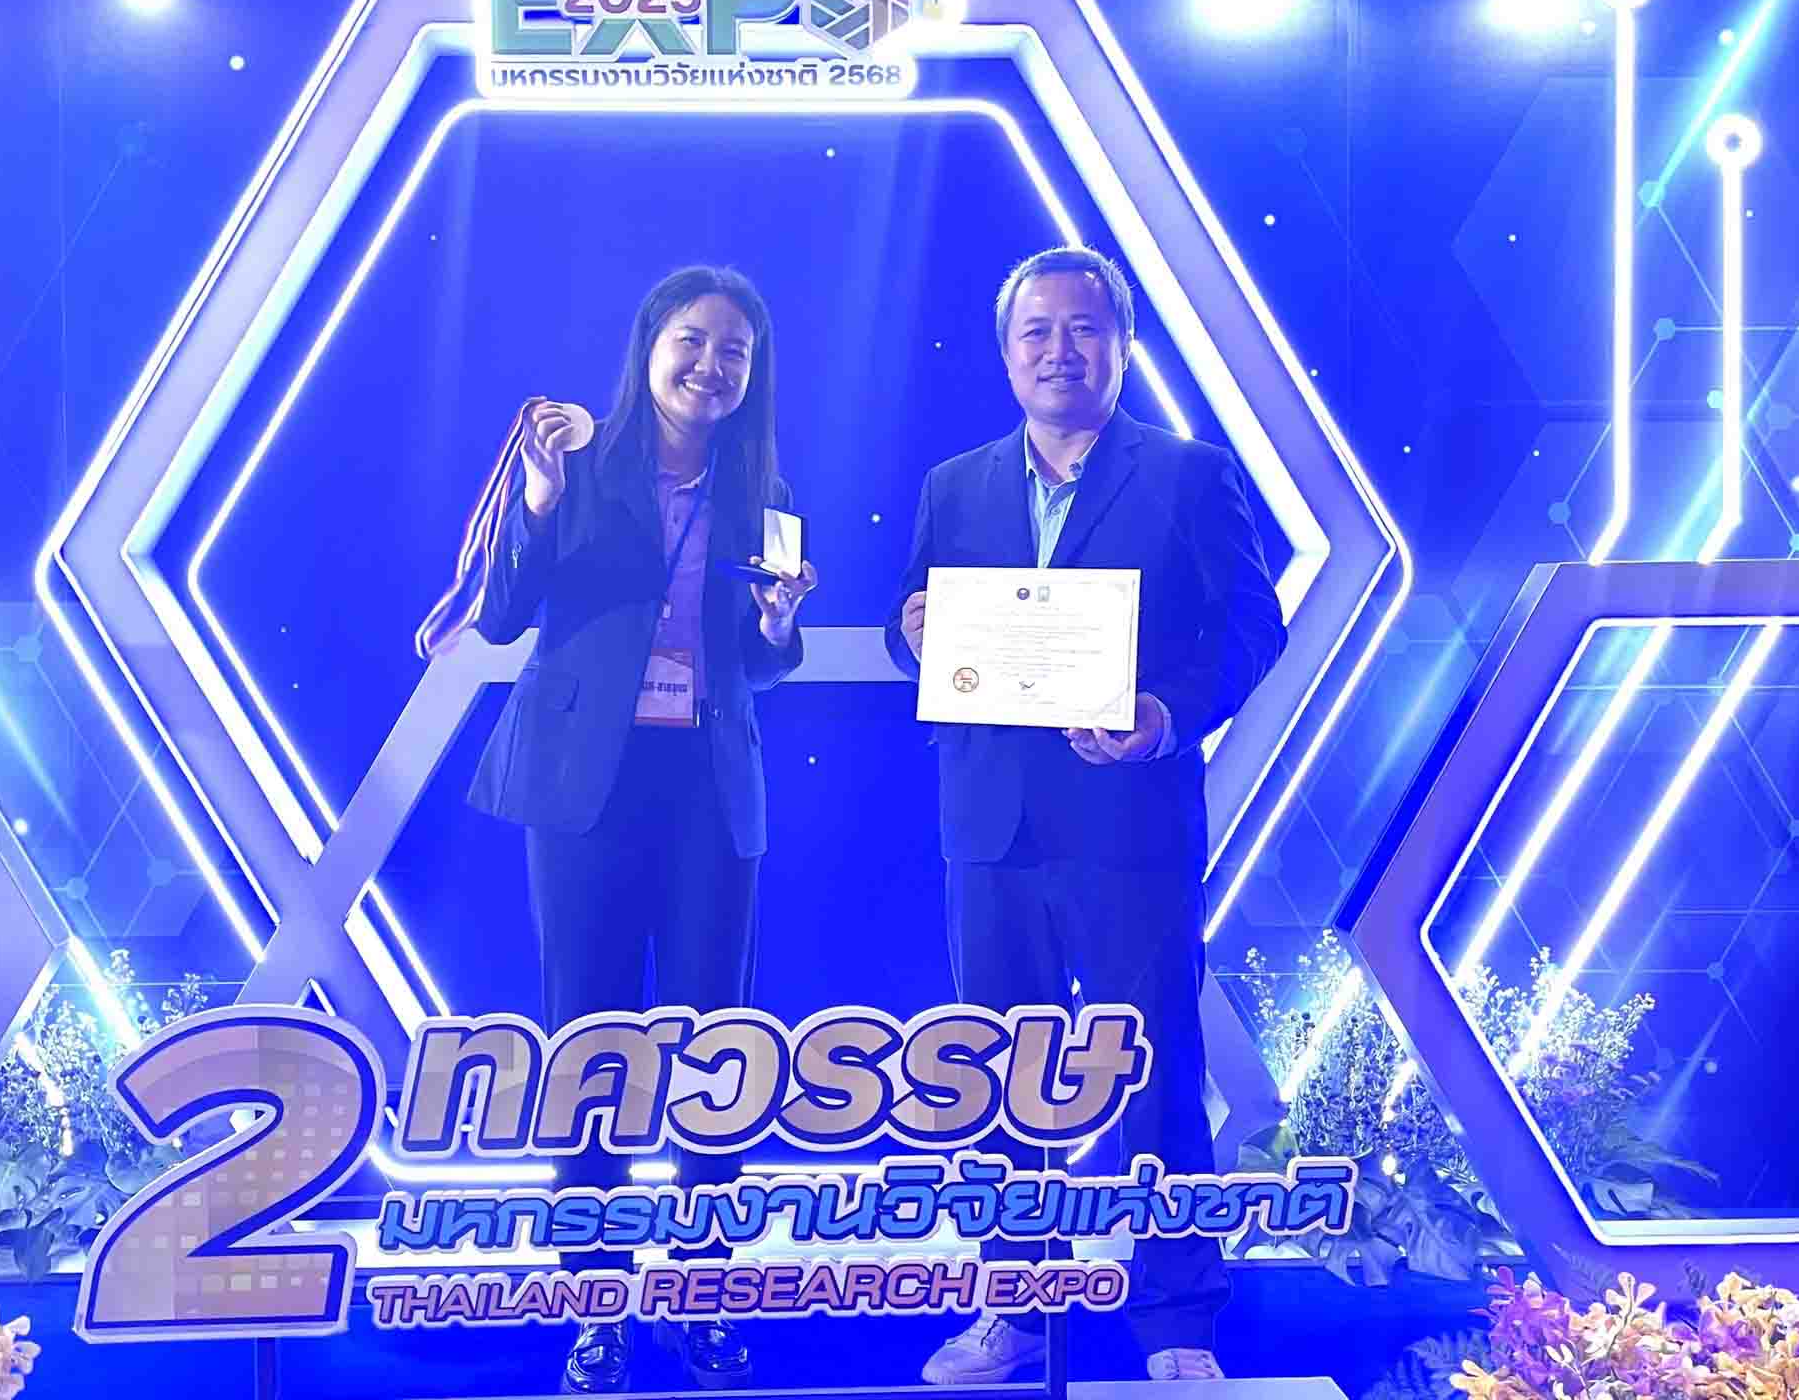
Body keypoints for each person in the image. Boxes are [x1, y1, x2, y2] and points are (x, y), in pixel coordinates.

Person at [883, 246, 1285, 1385]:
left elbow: (1252, 628)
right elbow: (919, 627)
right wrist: (917, 634)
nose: (1060, 351)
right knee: (1001, 1077)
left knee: (1153, 1069)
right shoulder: (954, 485)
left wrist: (1165, 716)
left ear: (1122, 347)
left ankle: (1179, 1326)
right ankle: (1014, 1309)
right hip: (991, 832)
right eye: (1037, 332)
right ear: (1007, 353)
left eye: (1084, 330)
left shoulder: (1191, 475)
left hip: (1130, 826)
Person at [469, 265, 819, 1394]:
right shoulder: (574, 462)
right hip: (588, 788)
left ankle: (704, 1291)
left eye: (734, 352)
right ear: (650, 346)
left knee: (719, 1053)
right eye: (692, 341)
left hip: (708, 789)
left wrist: (778, 624)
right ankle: (596, 1300)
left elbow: (758, 665)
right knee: (590, 1047)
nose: (710, 366)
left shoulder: (763, 489)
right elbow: (501, 615)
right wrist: (534, 504)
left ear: (752, 374)